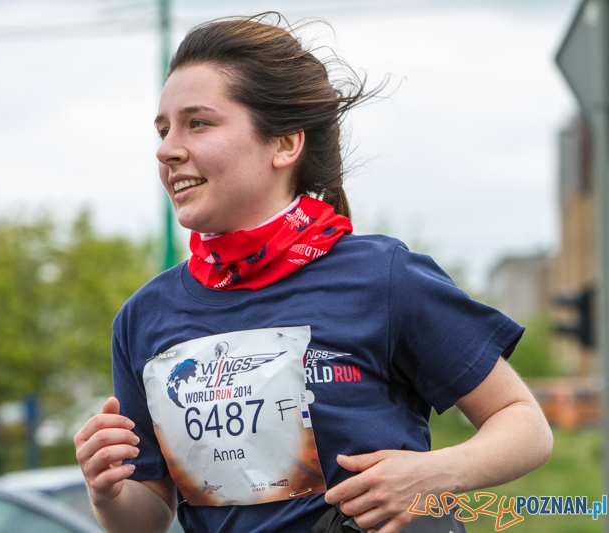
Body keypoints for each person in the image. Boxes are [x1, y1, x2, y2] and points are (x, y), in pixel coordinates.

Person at [74, 13, 552, 533]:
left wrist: (435, 473)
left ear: (284, 144)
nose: (167, 148)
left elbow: (525, 425)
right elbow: (146, 519)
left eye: (199, 122)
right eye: (163, 129)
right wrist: (108, 492)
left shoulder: (383, 278)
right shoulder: (144, 317)